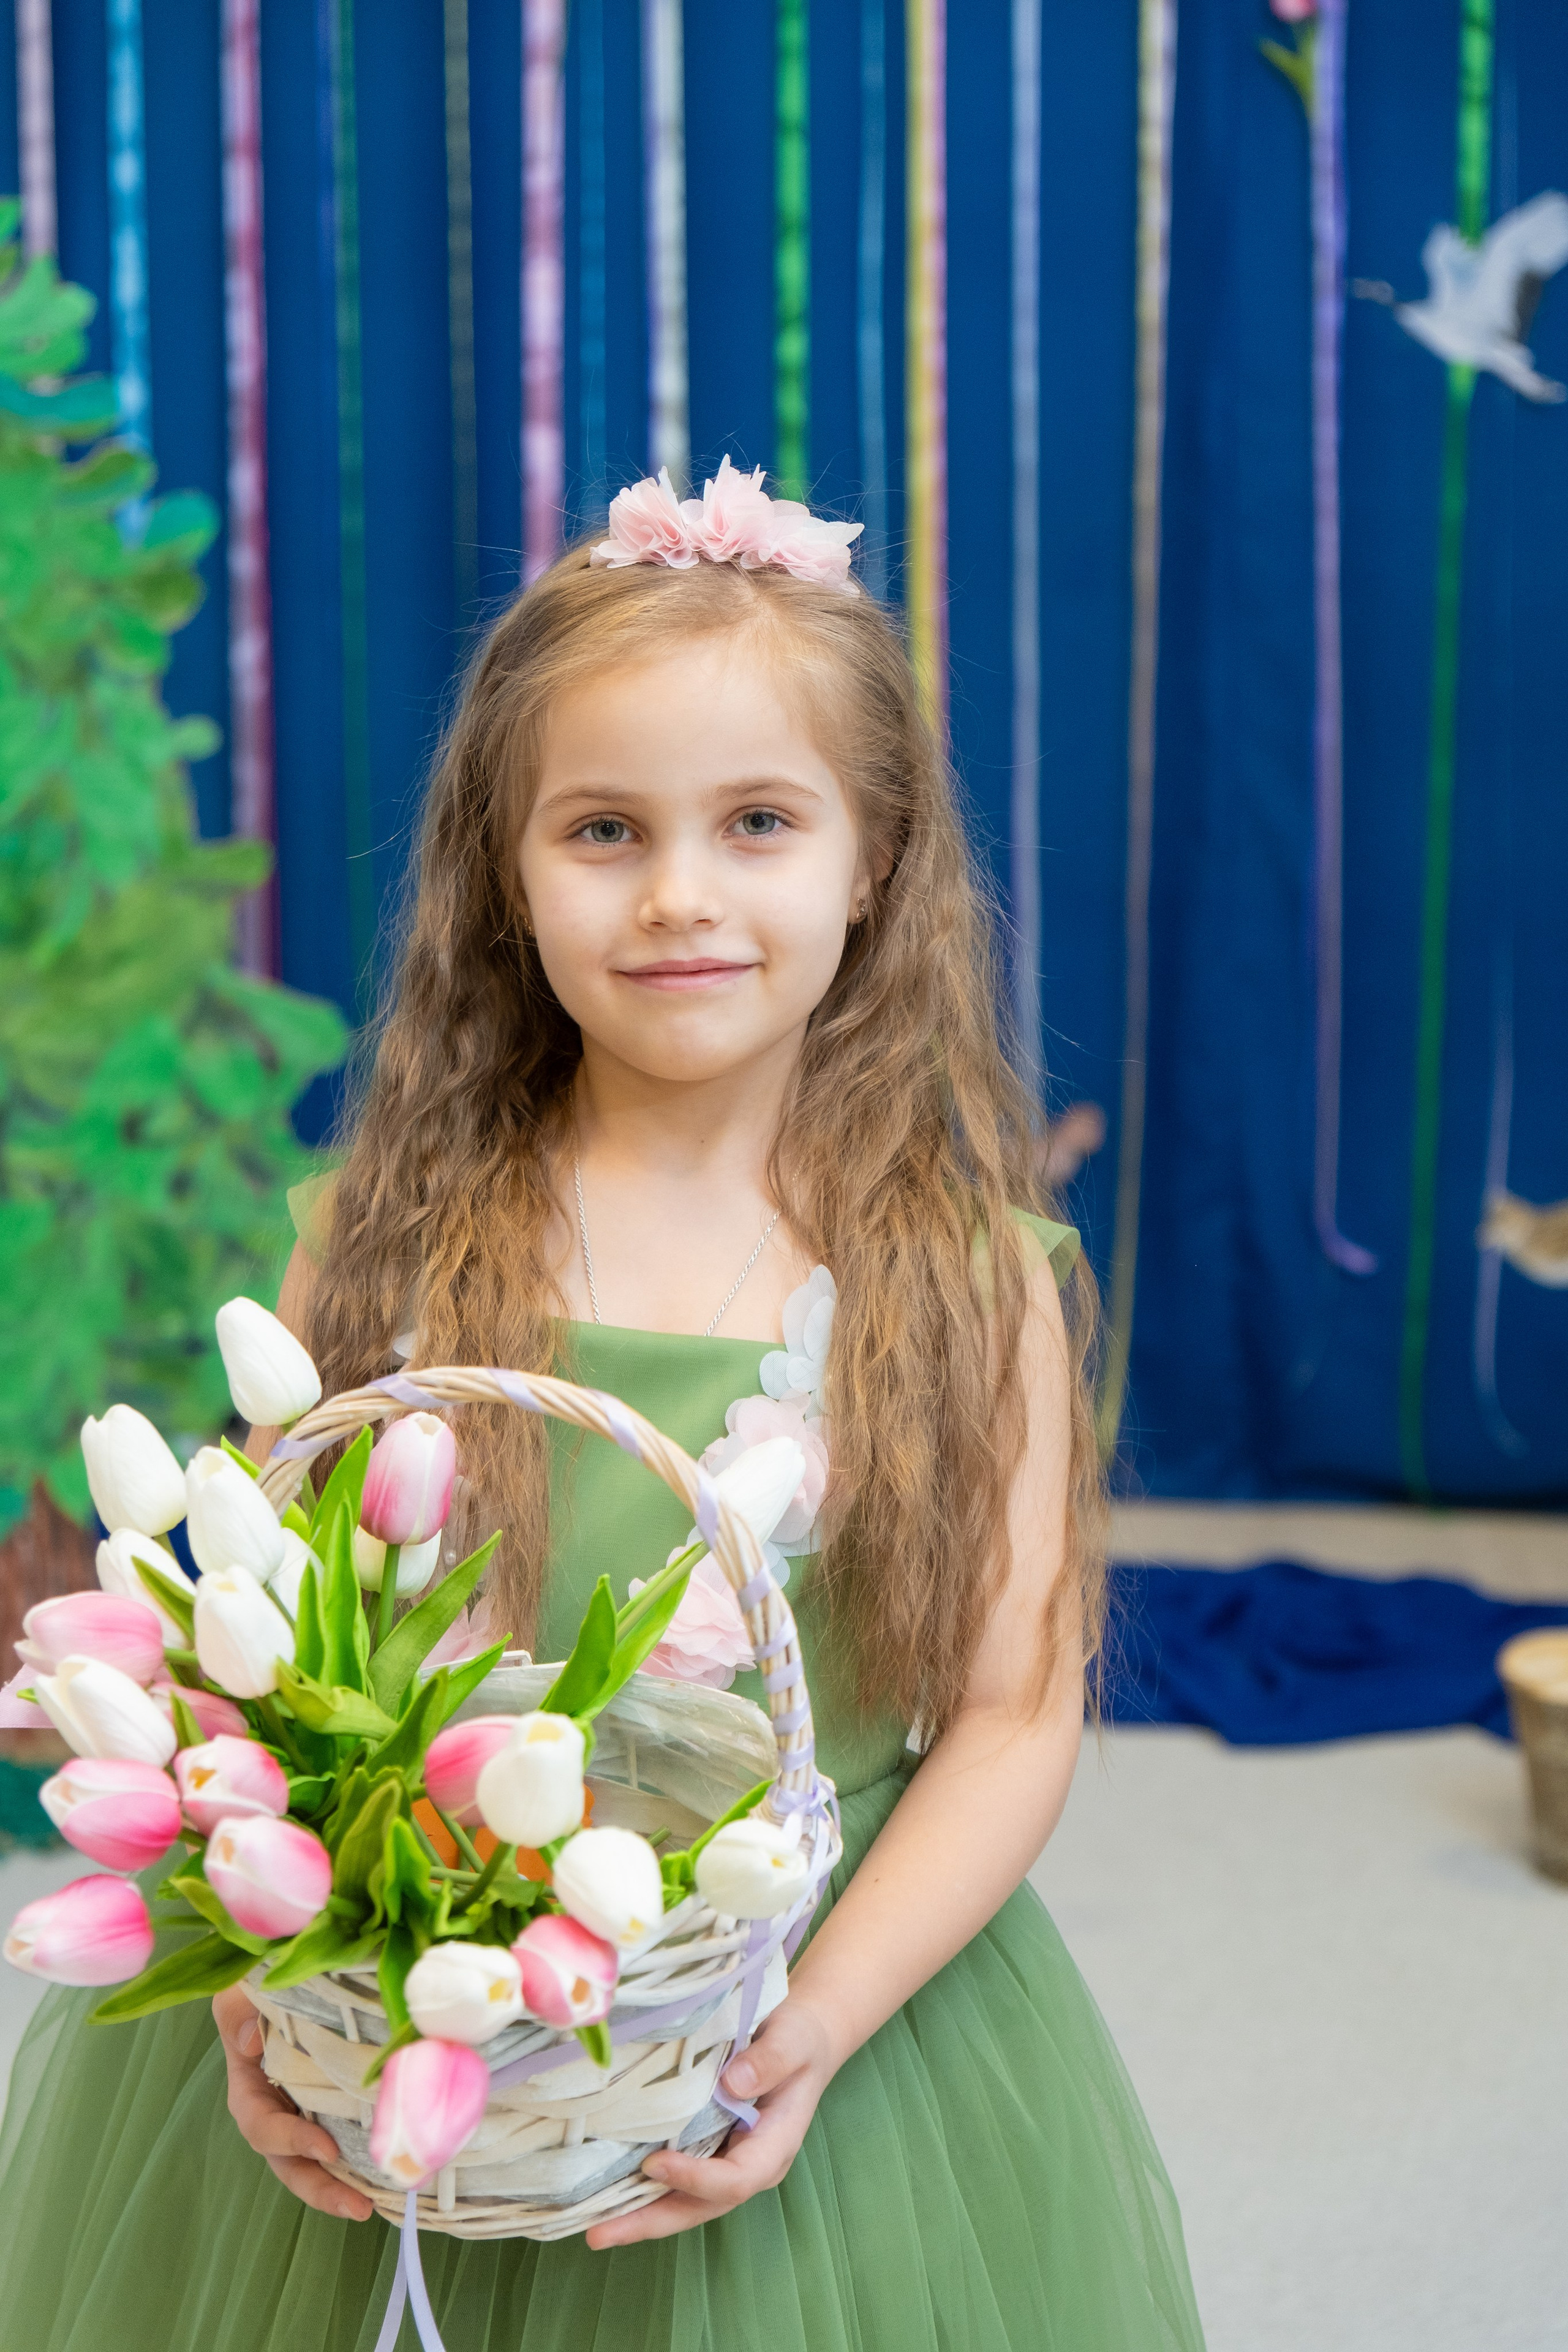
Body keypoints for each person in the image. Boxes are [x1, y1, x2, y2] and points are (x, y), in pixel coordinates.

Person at [0, 463, 1205, 2350]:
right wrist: (257, 1987)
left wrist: (806, 2025)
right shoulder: (377, 1245)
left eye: (758, 822)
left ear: (875, 857)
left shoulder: (974, 1287)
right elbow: (246, 1676)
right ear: (507, 867)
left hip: (782, 1991)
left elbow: (1007, 1716)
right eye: (604, 830)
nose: (679, 896)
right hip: (399, 2005)